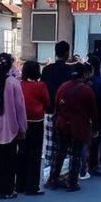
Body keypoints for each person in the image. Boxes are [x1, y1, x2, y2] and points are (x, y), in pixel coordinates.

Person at [47, 62, 97, 191]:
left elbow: (57, 105)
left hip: (62, 123)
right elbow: (92, 111)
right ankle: (72, 182)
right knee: (76, 154)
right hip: (78, 126)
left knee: (59, 152)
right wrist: (94, 127)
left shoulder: (63, 86)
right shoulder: (87, 90)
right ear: (84, 74)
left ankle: (53, 179)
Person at [0, 53, 27, 200]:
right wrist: (23, 127)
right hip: (10, 127)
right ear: (11, 65)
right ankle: (6, 190)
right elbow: (20, 108)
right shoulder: (14, 83)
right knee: (9, 161)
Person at [41, 41, 75, 172]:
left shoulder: (46, 70)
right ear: (66, 53)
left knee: (50, 143)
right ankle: (63, 172)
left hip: (50, 110)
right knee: (65, 144)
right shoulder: (70, 71)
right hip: (66, 113)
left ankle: (48, 171)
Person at [17, 60, 49, 195]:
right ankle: (32, 186)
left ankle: (20, 184)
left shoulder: (20, 84)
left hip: (22, 121)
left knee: (22, 152)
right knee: (35, 153)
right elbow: (47, 102)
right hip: (36, 121)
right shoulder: (41, 86)